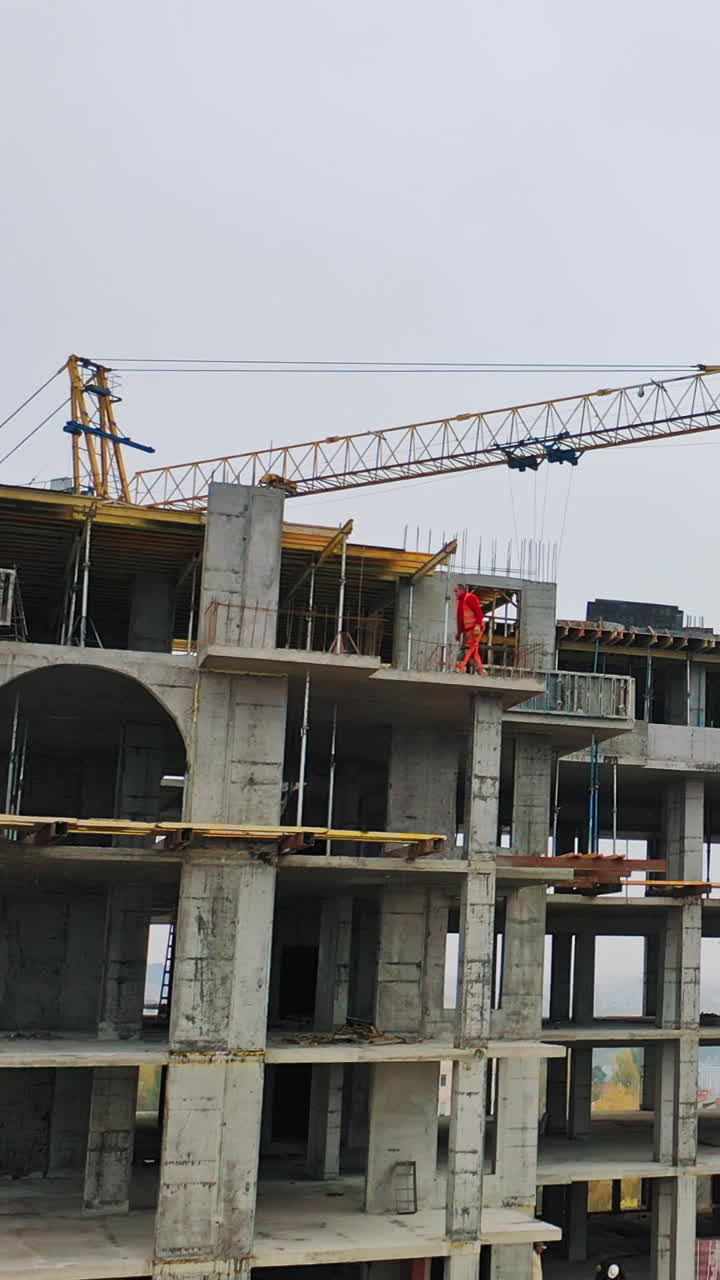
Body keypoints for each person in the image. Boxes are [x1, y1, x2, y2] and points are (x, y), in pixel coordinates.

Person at [454, 584, 486, 674]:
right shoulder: (460, 602)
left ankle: (462, 665)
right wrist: (459, 632)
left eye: (456, 591)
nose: (454, 593)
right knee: (473, 649)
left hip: (476, 627)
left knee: (471, 646)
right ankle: (480, 670)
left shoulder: (470, 598)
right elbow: (460, 619)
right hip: (469, 629)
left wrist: (477, 625)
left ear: (461, 590)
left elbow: (479, 613)